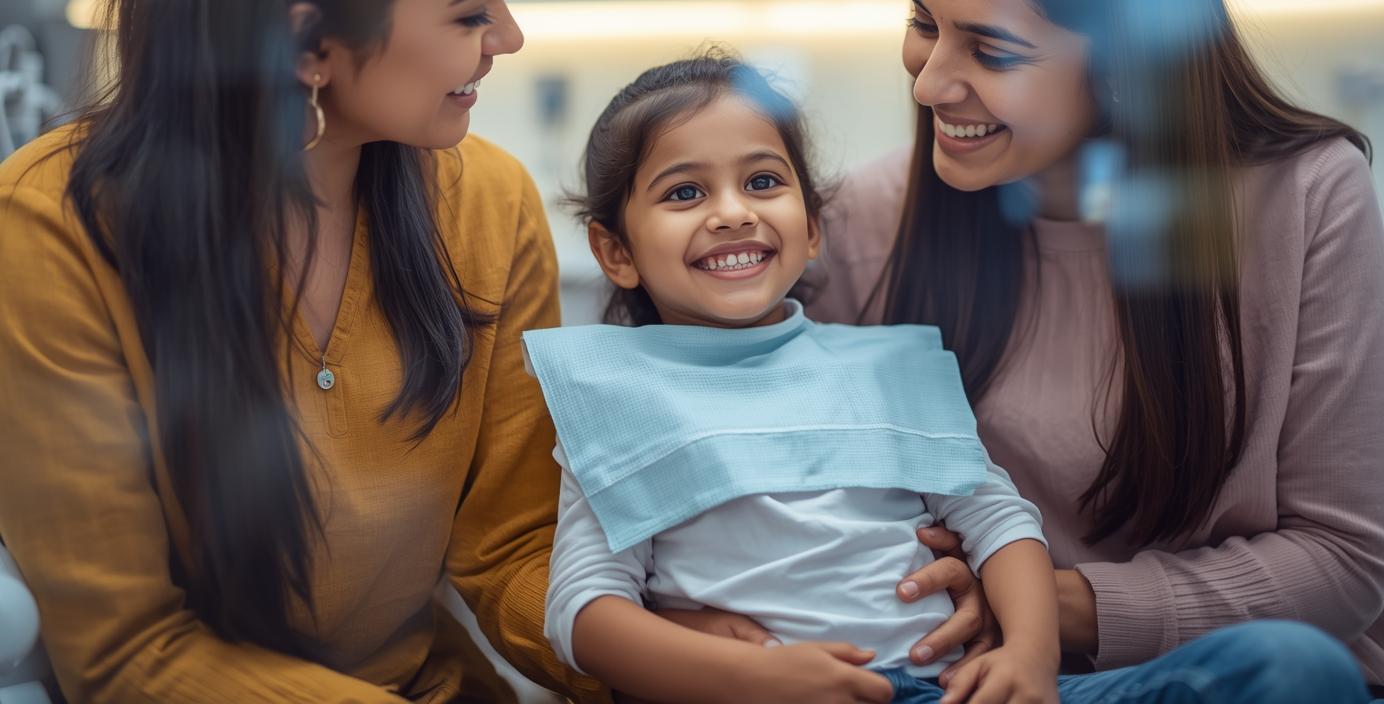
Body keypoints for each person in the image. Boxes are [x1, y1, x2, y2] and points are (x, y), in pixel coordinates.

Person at [670, 0, 1384, 699]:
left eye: (993, 50)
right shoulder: (857, 220)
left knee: (1290, 671)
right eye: (922, 24)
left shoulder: (1307, 196)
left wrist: (1043, 606)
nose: (930, 83)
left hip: (1210, 679)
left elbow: (1345, 561)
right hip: (949, 681)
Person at [0, 0, 602, 704]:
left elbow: (513, 548)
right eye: (470, 10)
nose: (509, 37)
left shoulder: (488, 202)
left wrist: (676, 655)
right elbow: (128, 653)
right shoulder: (51, 226)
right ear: (307, 42)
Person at [527, 52, 1371, 704]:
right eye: (684, 193)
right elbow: (584, 610)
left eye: (763, 181)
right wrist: (746, 681)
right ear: (614, 251)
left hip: (955, 689)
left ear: (814, 227)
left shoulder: (889, 364)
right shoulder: (614, 399)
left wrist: (1029, 659)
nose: (733, 212)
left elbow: (998, 520)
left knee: (1288, 666)